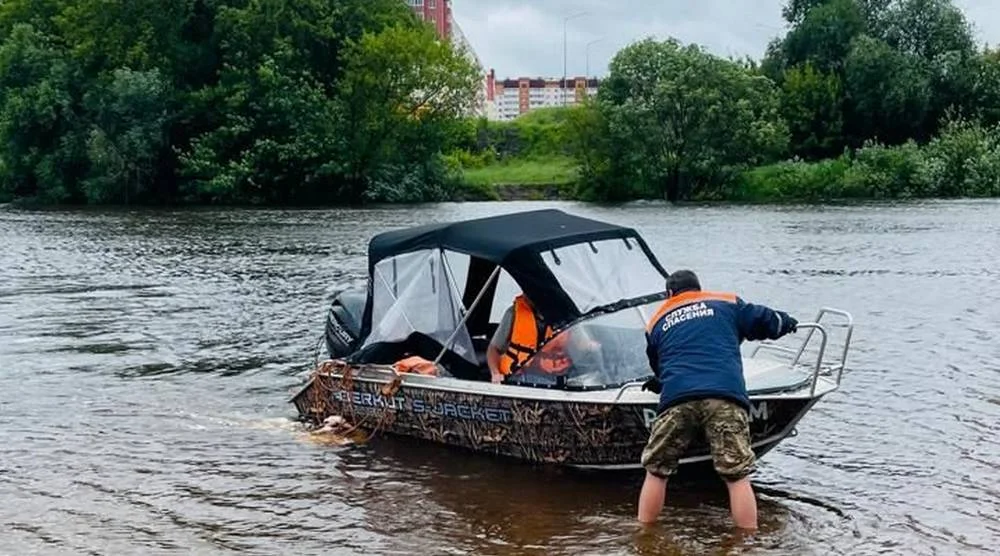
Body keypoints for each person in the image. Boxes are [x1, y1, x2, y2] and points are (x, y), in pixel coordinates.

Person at [637, 269, 798, 530]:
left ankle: (644, 535)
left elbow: (660, 364)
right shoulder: (725, 302)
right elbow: (767, 321)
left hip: (678, 398)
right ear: (699, 289)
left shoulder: (656, 321)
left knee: (656, 471)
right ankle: (747, 542)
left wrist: (660, 382)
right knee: (737, 476)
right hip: (724, 396)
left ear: (668, 294)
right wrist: (788, 323)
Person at [486, 293, 580, 383]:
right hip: (519, 376)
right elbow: (493, 349)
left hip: (555, 376)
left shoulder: (564, 316)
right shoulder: (513, 313)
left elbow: (582, 347)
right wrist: (495, 374)